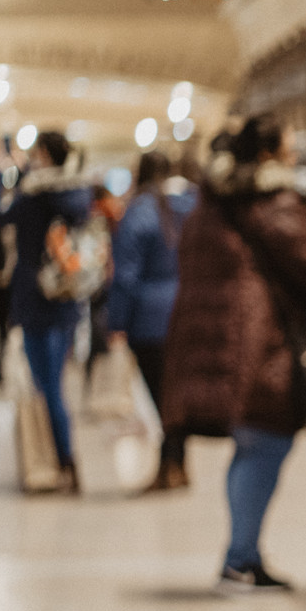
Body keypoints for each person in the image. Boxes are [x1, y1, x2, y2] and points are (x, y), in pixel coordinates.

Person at [165, 115, 306, 591]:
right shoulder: (273, 202)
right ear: (268, 153)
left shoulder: (209, 202)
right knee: (266, 440)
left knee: (253, 442)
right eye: (289, 144)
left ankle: (241, 554)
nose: (295, 152)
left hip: (220, 335)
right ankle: (240, 557)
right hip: (259, 340)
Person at [0, 129, 93, 493]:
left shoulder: (32, 195)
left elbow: (4, 218)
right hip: (65, 296)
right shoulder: (78, 194)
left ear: (45, 154)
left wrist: (19, 178)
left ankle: (63, 460)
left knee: (46, 386)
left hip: (35, 299)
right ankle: (63, 460)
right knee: (55, 383)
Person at [108, 150, 197, 491]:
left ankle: (170, 464)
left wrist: (117, 321)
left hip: (150, 319)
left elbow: (126, 275)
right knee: (176, 393)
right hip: (186, 311)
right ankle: (177, 463)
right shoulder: (189, 205)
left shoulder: (140, 210)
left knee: (162, 396)